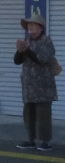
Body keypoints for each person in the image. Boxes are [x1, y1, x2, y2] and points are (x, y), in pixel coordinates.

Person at [14, 14, 57, 151]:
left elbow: (41, 59)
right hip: (29, 85)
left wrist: (25, 50)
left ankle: (46, 141)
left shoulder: (46, 41)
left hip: (43, 85)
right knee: (28, 113)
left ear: (41, 27)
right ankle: (30, 139)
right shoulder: (28, 41)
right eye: (28, 25)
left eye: (33, 25)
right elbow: (17, 61)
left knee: (43, 114)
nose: (30, 27)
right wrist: (20, 51)